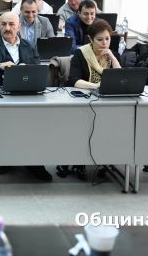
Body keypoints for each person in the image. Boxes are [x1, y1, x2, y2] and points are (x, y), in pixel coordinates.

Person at [0, 12, 50, 182]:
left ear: (19, 26)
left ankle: (34, 162)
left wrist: (26, 69)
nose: (7, 28)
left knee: (38, 123)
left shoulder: (29, 45)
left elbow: (38, 70)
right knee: (5, 124)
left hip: (26, 94)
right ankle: (5, 159)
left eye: (11, 24)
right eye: (3, 24)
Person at [59, 19, 121, 181]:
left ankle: (104, 158)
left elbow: (121, 77)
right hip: (83, 101)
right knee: (83, 126)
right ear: (91, 39)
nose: (104, 43)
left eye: (107, 39)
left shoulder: (111, 53)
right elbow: (73, 80)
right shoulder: (81, 53)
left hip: (106, 102)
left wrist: (112, 57)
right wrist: (95, 86)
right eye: (100, 39)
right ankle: (78, 162)